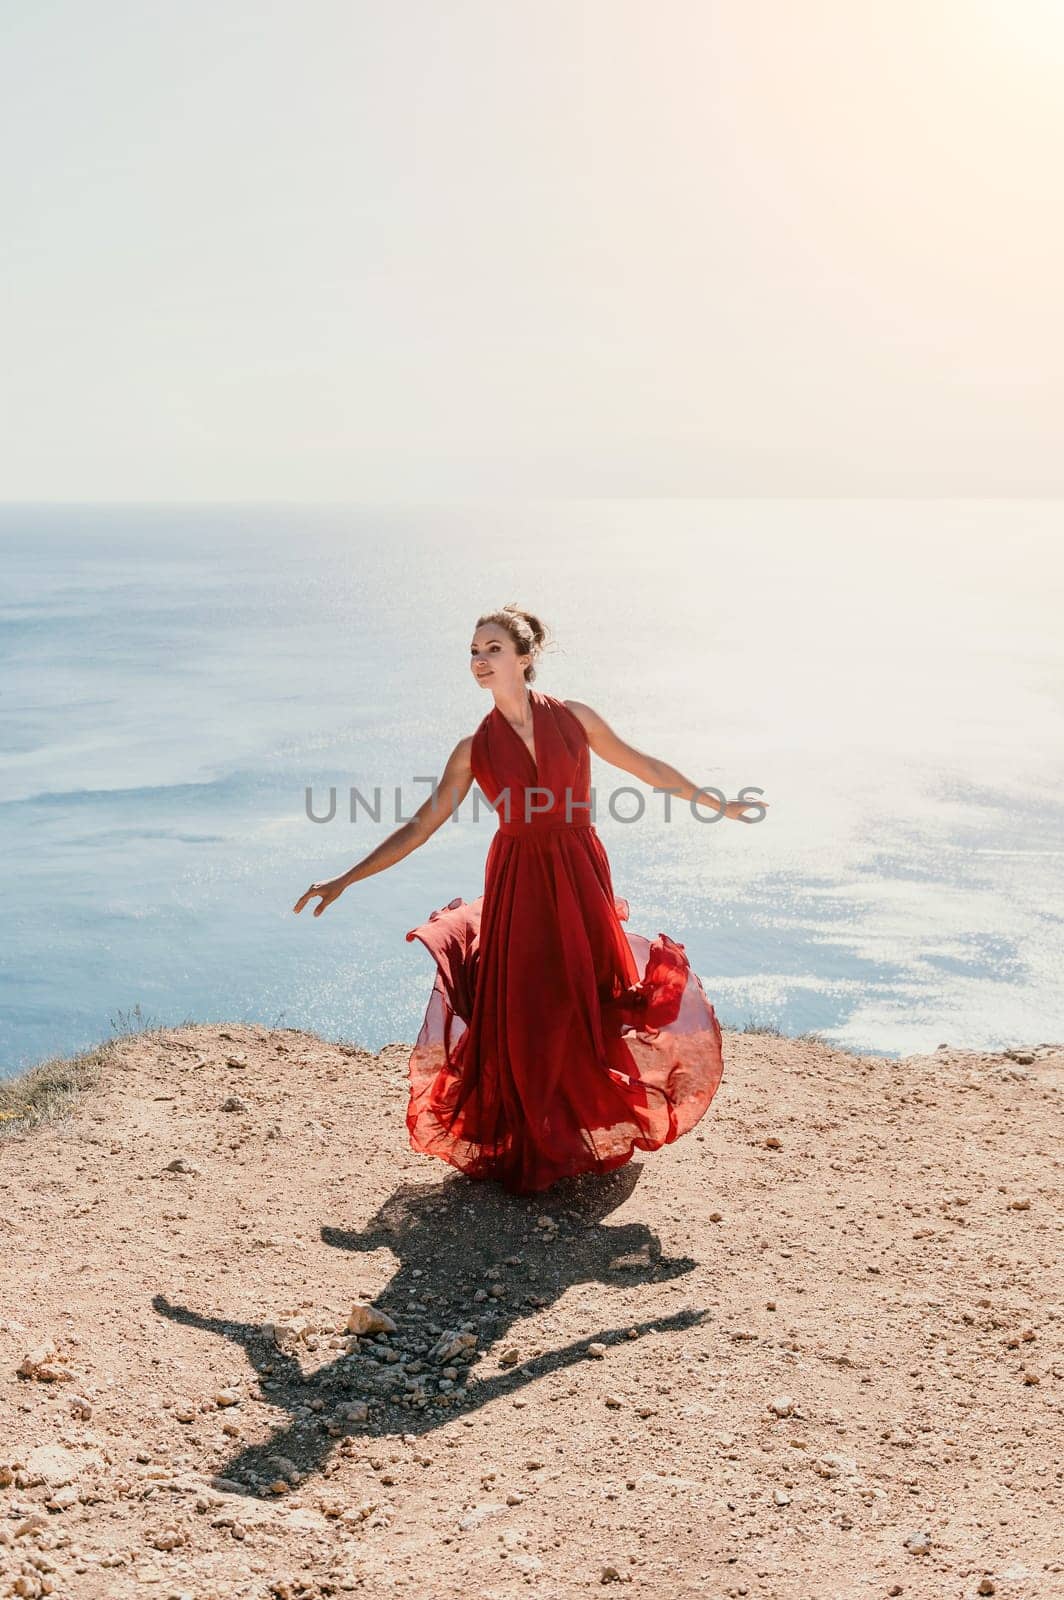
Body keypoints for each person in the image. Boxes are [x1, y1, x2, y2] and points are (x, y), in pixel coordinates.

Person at [294, 604, 768, 1194]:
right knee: (524, 1003)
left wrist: (715, 801)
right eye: (473, 651)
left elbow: (643, 765)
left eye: (492, 648)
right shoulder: (474, 748)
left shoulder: (574, 718)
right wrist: (346, 878)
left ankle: (580, 1126)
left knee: (583, 994)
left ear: (524, 658)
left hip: (578, 871)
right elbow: (420, 825)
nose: (479, 660)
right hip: (519, 877)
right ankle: (530, 1136)